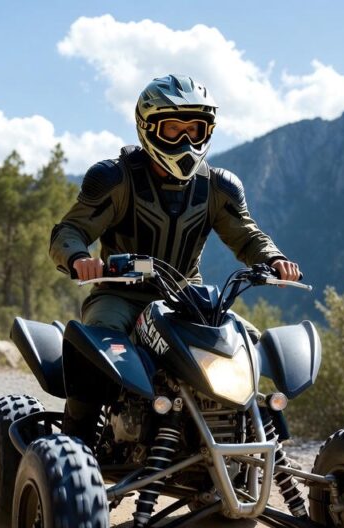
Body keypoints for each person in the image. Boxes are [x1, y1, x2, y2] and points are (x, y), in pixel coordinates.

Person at [49, 74, 300, 441]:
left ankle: (259, 443)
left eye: (194, 130)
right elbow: (69, 231)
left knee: (247, 344)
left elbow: (247, 235)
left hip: (187, 301)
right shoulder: (115, 179)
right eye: (173, 130)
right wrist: (78, 258)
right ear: (148, 128)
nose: (185, 140)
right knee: (98, 346)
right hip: (121, 297)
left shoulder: (218, 186)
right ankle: (73, 447)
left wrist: (274, 258)